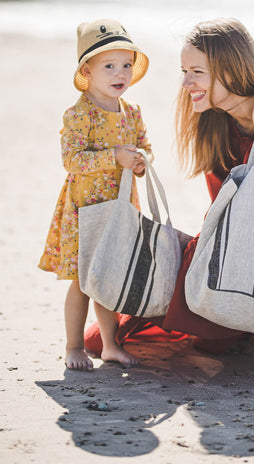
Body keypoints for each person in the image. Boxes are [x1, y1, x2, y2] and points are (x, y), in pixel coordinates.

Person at [84, 17, 254, 373]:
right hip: (253, 242)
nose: (186, 83)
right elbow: (227, 216)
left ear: (231, 70)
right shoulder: (215, 125)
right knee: (115, 334)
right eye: (184, 71)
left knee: (204, 308)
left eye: (196, 72)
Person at [39, 19, 153, 370]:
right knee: (82, 283)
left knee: (108, 279)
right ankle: (74, 346)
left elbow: (145, 147)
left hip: (119, 208)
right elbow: (71, 160)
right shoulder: (80, 114)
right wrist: (113, 157)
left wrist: (139, 162)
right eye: (109, 66)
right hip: (84, 210)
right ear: (87, 70)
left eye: (127, 65)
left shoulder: (131, 112)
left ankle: (110, 345)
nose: (121, 73)